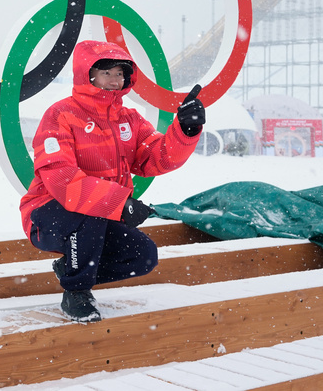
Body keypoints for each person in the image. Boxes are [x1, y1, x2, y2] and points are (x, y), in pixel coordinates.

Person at [19, 40, 205, 323]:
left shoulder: (129, 119)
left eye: (120, 73)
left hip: (99, 218)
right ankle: (76, 291)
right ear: (87, 74)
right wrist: (120, 204)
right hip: (47, 214)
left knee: (143, 256)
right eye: (107, 72)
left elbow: (156, 156)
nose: (115, 80)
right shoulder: (60, 115)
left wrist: (185, 130)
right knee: (91, 211)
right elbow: (61, 179)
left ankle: (71, 265)